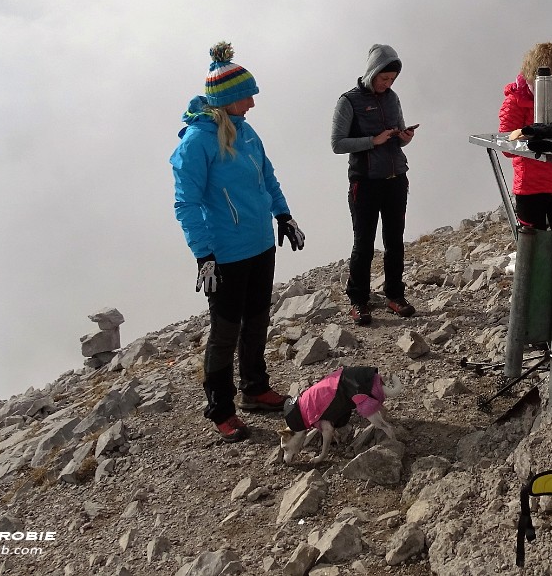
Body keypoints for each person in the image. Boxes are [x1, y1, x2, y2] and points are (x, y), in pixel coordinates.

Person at [171, 42, 307, 443]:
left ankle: (254, 388)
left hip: (260, 244)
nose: (252, 103)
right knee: (225, 331)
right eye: (247, 96)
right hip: (226, 254)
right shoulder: (196, 143)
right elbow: (187, 203)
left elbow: (267, 177)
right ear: (228, 99)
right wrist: (204, 256)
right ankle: (221, 409)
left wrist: (283, 214)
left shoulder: (245, 132)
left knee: (257, 321)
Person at [332, 44, 417, 326]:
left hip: (395, 179)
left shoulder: (393, 99)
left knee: (395, 242)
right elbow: (337, 143)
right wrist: (373, 141)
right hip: (365, 183)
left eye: (392, 80)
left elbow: (399, 131)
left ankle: (395, 295)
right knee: (364, 244)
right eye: (384, 78)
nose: (387, 84)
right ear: (372, 73)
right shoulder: (348, 101)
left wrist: (404, 137)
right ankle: (359, 301)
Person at [498, 43, 552, 231]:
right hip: (530, 187)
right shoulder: (516, 100)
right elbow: (507, 145)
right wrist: (533, 139)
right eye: (551, 80)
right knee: (532, 244)